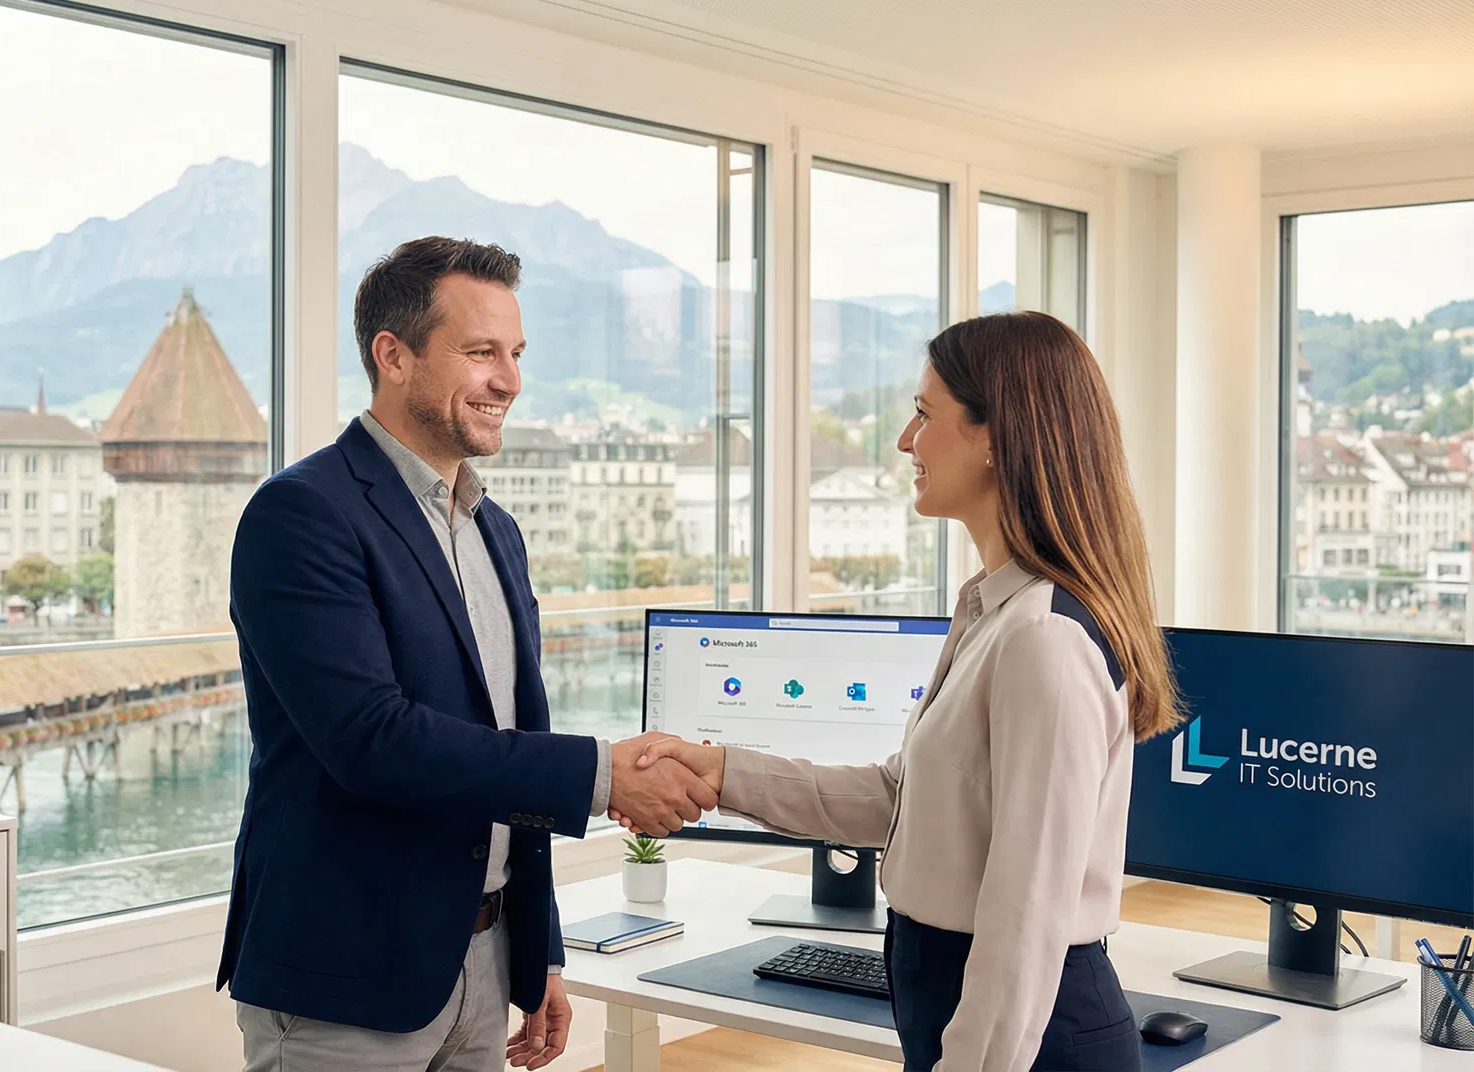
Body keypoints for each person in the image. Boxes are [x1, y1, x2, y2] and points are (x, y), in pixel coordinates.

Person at [619, 312, 1181, 1072]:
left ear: (996, 435)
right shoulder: (993, 610)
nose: (904, 440)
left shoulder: (1042, 639)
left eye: (924, 413)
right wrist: (721, 771)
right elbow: (900, 800)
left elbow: (1027, 915)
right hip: (959, 994)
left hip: (1028, 1032)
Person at [220, 235, 717, 1072]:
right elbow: (371, 740)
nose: (510, 380)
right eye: (481, 352)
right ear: (394, 356)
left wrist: (539, 950)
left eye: (516, 353)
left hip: (484, 964)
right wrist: (603, 774)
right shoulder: (301, 514)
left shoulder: (496, 531)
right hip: (347, 975)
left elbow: (509, 740)